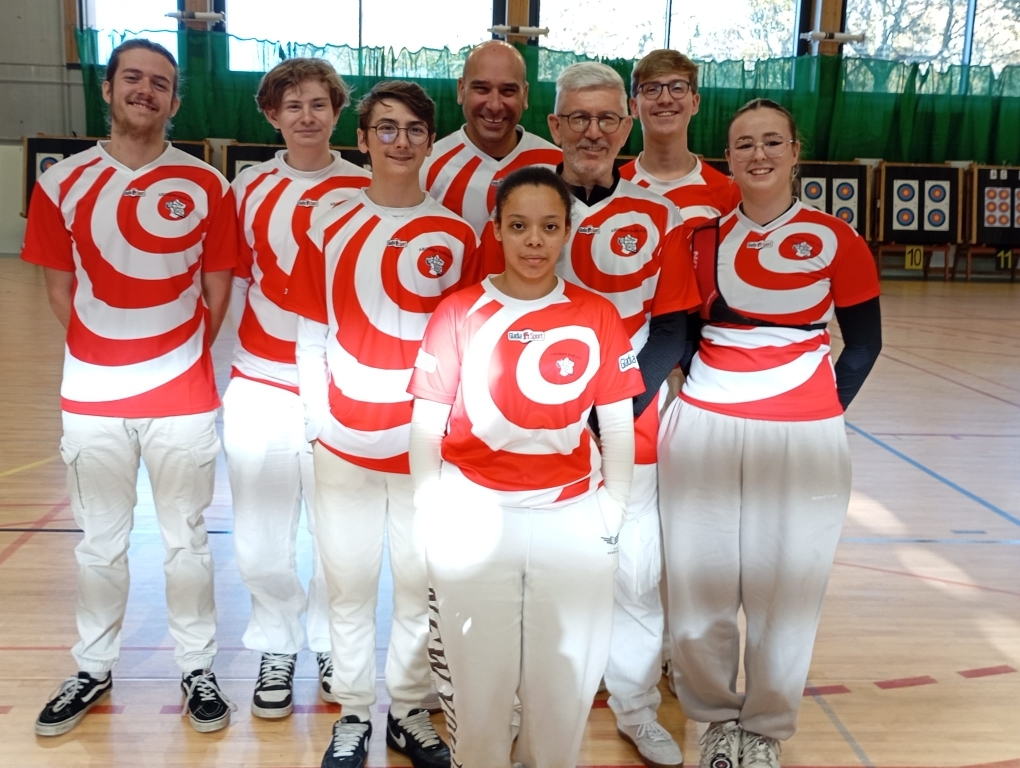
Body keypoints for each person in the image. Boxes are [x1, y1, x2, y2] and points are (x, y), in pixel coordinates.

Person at [22, 38, 237, 735]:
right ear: (108, 89)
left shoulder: (207, 185)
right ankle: (92, 668)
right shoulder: (61, 183)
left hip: (183, 396)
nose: (146, 90)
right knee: (99, 544)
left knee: (186, 541)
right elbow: (59, 289)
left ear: (175, 102)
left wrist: (173, 357)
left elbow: (218, 290)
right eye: (133, 78)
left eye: (161, 83)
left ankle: (197, 668)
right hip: (92, 396)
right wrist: (106, 352)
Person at [658, 99, 882, 768]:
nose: (759, 154)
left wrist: (820, 410)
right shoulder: (696, 239)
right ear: (727, 157)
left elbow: (864, 346)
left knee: (787, 591)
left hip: (804, 438)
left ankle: (764, 730)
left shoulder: (837, 239)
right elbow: (682, 338)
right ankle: (714, 721)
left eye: (772, 142)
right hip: (705, 428)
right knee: (699, 587)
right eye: (745, 144)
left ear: (794, 151)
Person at [409, 166, 644, 768]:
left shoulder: (596, 314)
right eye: (518, 226)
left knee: (562, 696)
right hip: (473, 517)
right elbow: (426, 426)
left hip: (572, 520)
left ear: (567, 231)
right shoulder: (458, 312)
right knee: (479, 699)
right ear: (496, 230)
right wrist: (431, 514)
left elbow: (617, 427)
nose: (534, 241)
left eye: (548, 227)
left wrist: (612, 513)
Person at [284, 80, 478, 768]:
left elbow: (467, 344)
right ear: (362, 140)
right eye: (386, 128)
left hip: (425, 452)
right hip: (343, 444)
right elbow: (309, 334)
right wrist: (318, 422)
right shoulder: (329, 224)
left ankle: (408, 711)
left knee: (419, 590)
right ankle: (353, 711)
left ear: (431, 140)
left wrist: (450, 439)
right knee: (348, 587)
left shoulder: (460, 235)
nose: (400, 141)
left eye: (414, 129)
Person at [549, 62, 701, 767]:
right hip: (539, 435)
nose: (593, 132)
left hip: (629, 428)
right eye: (579, 118)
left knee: (636, 579)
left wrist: (610, 411)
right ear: (556, 125)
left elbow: (671, 329)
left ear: (627, 123)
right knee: (546, 576)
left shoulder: (660, 215)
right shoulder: (523, 202)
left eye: (607, 118)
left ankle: (636, 707)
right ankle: (539, 705)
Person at [226, 57, 371, 719]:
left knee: (336, 531)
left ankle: (330, 643)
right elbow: (233, 280)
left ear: (337, 111)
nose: (306, 116)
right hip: (260, 379)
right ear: (271, 115)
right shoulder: (248, 187)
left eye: (318, 104)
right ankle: (277, 643)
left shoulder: (366, 186)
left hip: (337, 383)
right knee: (259, 535)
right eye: (293, 106)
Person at [422, 40, 561, 274]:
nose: (495, 105)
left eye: (508, 91)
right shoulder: (427, 165)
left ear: (525, 95)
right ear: (461, 90)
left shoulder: (557, 166)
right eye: (481, 89)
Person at [620, 49, 741, 227]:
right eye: (652, 89)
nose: (665, 99)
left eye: (677, 88)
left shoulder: (729, 193)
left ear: (694, 103)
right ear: (634, 107)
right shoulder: (612, 187)